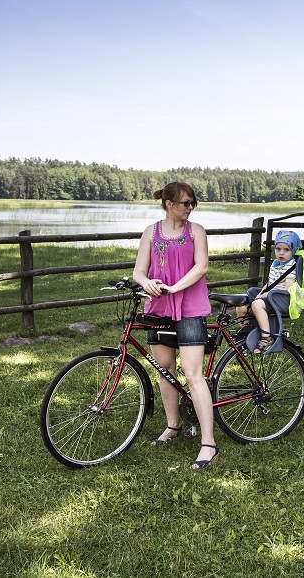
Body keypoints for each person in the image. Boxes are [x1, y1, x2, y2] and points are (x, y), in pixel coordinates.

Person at [131, 181, 219, 470]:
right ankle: (173, 426)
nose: (190, 208)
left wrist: (174, 287)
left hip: (191, 309)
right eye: (185, 203)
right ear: (169, 204)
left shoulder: (196, 232)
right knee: (165, 370)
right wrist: (148, 283)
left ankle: (209, 444)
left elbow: (201, 266)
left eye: (193, 202)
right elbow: (139, 271)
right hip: (158, 309)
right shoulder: (150, 232)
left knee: (193, 375)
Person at [237, 230, 302, 353]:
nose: (281, 253)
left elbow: (287, 289)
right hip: (270, 295)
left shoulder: (291, 266)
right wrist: (260, 293)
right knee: (241, 304)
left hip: (280, 299)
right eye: (278, 249)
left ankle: (267, 337)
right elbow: (270, 283)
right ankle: (246, 329)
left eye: (286, 250)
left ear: (292, 250)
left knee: (256, 304)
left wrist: (264, 295)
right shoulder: (276, 264)